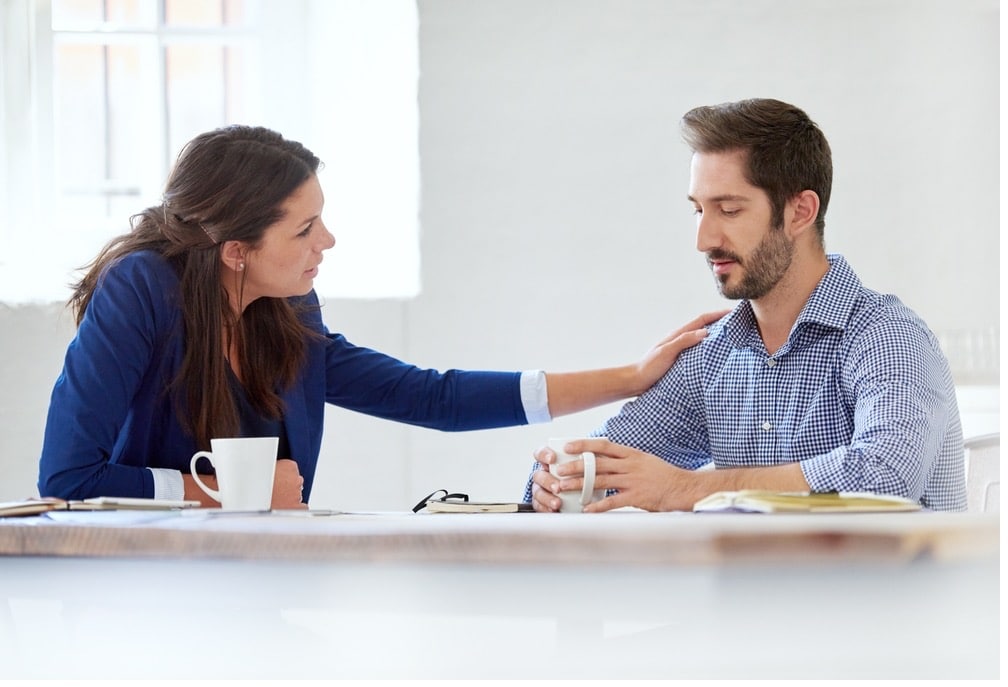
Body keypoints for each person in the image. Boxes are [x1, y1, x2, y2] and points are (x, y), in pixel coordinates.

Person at [37, 124, 722, 509]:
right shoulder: (142, 290)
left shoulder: (284, 308)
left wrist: (631, 377)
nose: (326, 242)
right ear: (238, 250)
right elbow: (65, 475)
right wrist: (209, 490)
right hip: (141, 592)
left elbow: (430, 394)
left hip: (260, 582)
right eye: (305, 229)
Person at [526, 98, 966, 512]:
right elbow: (593, 464)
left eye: (729, 210)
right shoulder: (711, 357)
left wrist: (686, 488)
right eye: (699, 210)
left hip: (892, 592)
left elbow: (886, 474)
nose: (704, 239)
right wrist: (553, 480)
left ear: (800, 212)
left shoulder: (887, 336)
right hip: (753, 592)